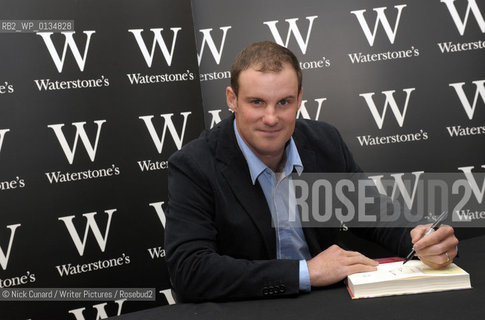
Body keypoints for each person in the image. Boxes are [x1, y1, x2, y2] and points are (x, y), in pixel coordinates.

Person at [165, 41, 458, 302]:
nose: (271, 118)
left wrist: (420, 239)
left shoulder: (324, 141)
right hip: (248, 307)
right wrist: (305, 272)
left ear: (299, 99)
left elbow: (372, 212)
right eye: (257, 102)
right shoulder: (195, 164)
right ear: (232, 99)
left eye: (284, 102)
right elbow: (189, 270)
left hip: (325, 302)